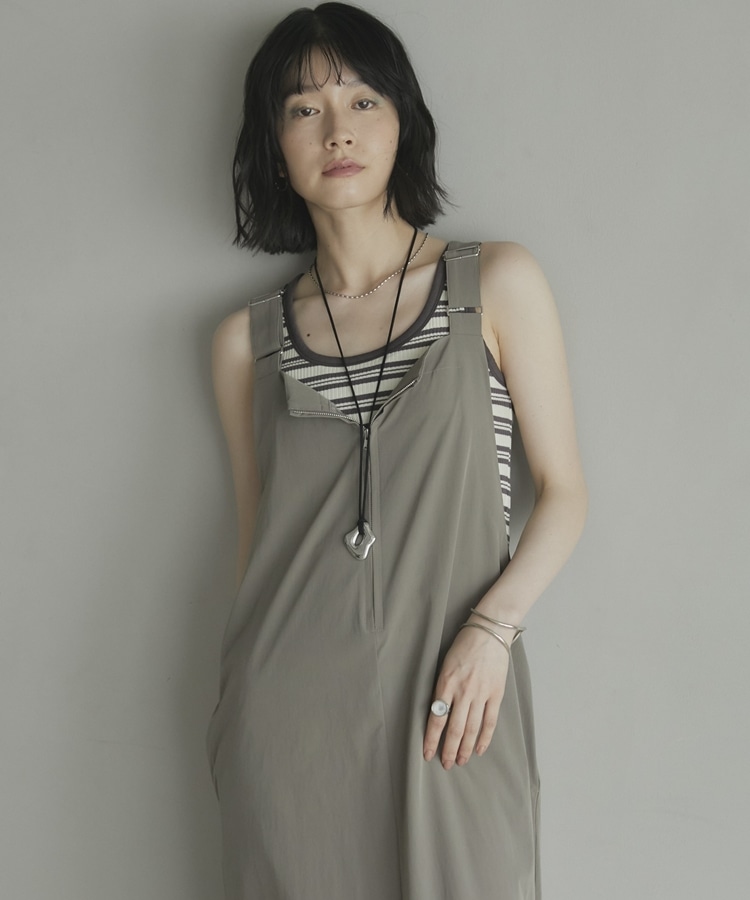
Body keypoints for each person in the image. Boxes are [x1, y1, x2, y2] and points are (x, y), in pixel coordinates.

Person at [206, 3, 587, 898]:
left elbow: (565, 492)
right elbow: (258, 542)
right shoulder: (242, 344)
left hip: (454, 704)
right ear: (275, 146)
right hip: (286, 724)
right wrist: (235, 709)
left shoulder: (495, 283)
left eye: (362, 100)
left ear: (401, 122)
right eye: (303, 108)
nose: (336, 130)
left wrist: (494, 630)